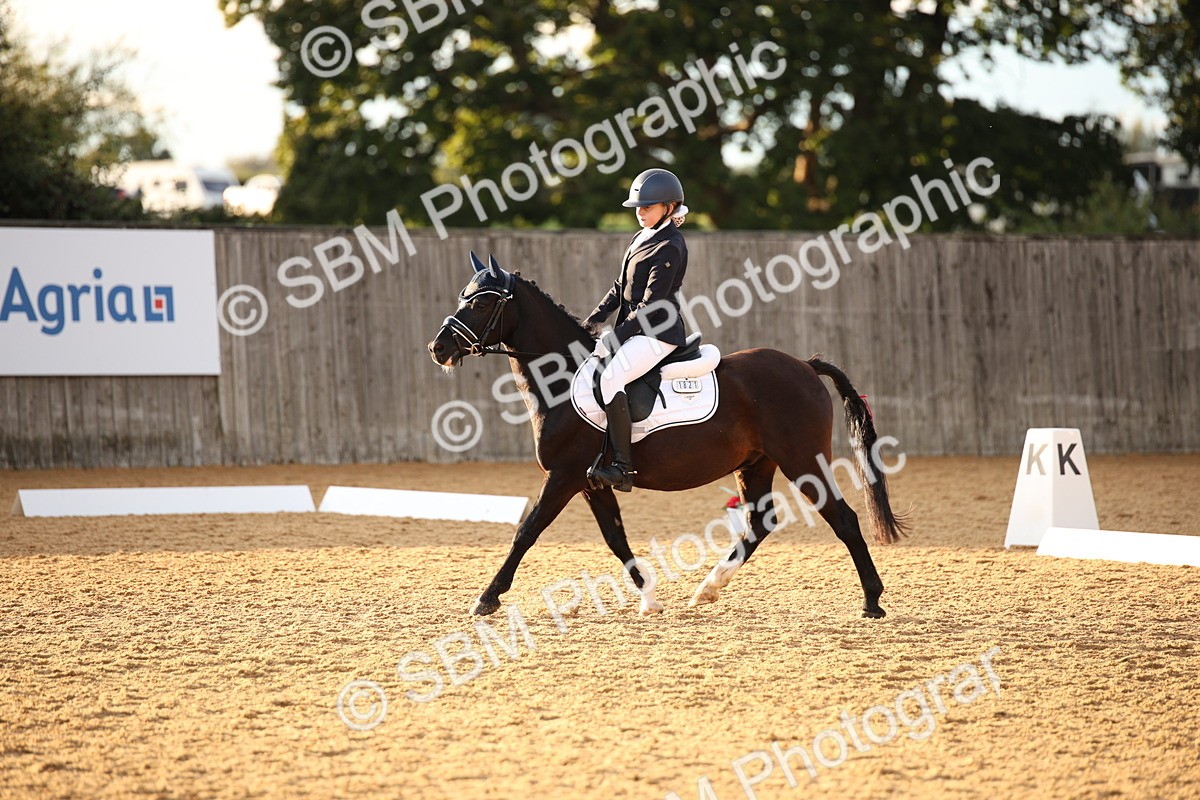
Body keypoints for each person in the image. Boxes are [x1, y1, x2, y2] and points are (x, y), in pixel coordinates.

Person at [584, 167, 691, 492]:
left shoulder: (670, 245)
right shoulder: (642, 236)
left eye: (648, 207)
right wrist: (593, 319)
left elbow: (650, 306)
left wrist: (615, 337)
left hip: (658, 332)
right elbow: (621, 287)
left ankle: (622, 468)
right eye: (638, 208)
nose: (640, 213)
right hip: (636, 328)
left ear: (669, 208)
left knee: (612, 376)